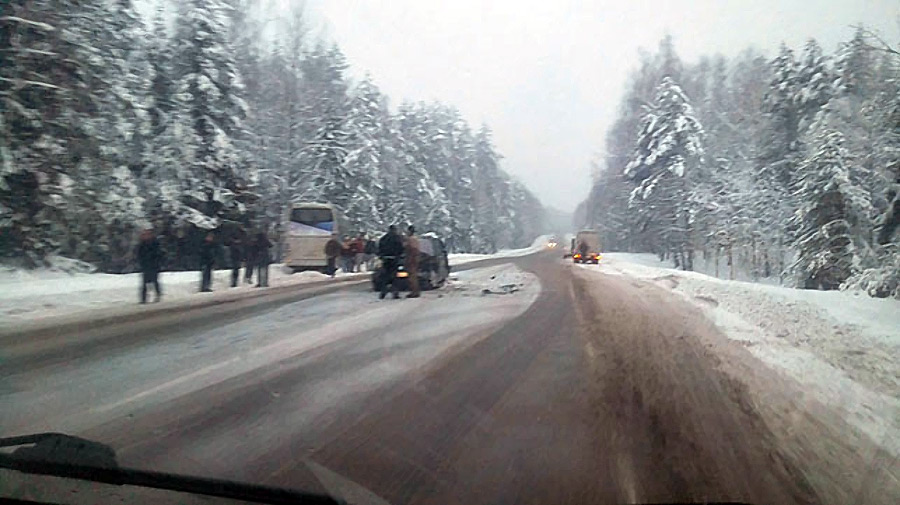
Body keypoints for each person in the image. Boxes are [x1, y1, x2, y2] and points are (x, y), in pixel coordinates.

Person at [136, 228, 164, 304]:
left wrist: (156, 262)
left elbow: (158, 254)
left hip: (154, 265)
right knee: (144, 282)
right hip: (145, 266)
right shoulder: (142, 244)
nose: (145, 236)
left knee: (154, 281)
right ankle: (143, 298)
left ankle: (157, 295)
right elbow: (139, 255)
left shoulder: (155, 243)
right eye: (144, 234)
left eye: (147, 234)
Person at [377, 225, 404, 299]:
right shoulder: (397, 238)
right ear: (394, 230)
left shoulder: (383, 238)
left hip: (385, 259)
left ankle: (383, 292)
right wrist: (400, 255)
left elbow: (379, 248)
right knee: (395, 276)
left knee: (385, 276)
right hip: (394, 259)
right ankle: (395, 292)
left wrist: (381, 256)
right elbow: (401, 248)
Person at [404, 225, 421, 299]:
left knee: (412, 276)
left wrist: (409, 259)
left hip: (411, 259)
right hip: (414, 259)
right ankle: (415, 291)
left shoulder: (411, 239)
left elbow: (412, 250)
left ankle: (414, 292)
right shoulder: (415, 239)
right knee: (413, 276)